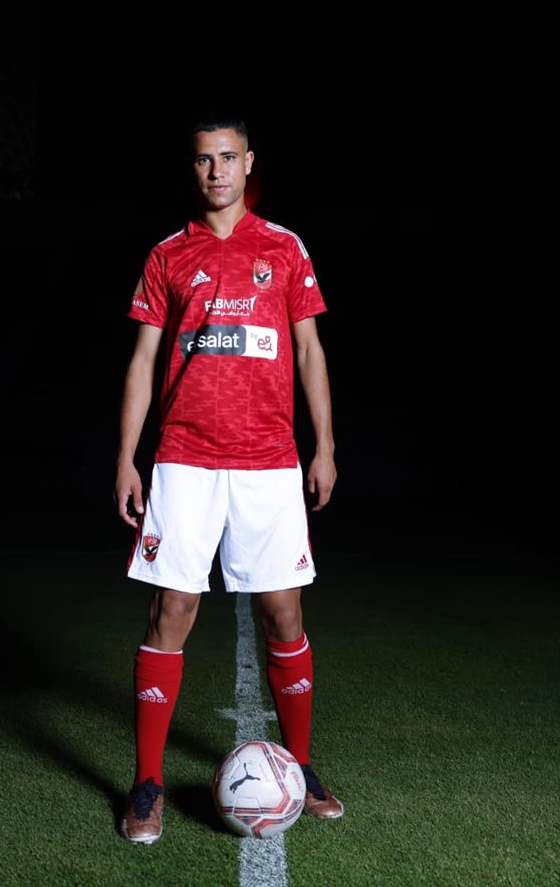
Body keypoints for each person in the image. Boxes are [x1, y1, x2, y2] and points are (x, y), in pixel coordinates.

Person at [113, 114, 342, 844]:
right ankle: (147, 783)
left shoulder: (284, 247)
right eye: (203, 160)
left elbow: (309, 350)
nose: (215, 171)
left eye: (227, 157)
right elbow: (143, 360)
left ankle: (300, 767)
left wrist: (324, 445)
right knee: (171, 611)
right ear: (193, 169)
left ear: (248, 163)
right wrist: (127, 456)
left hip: (269, 460)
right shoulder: (168, 254)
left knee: (283, 614)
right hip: (184, 459)